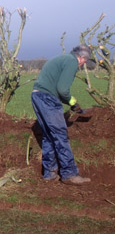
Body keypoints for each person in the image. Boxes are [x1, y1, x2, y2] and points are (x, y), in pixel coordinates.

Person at [31, 45, 91, 185]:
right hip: (48, 98)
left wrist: (72, 104)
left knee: (49, 136)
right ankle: (69, 174)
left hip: (37, 96)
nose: (83, 64)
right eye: (85, 61)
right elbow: (62, 89)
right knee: (60, 136)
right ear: (82, 58)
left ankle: (50, 174)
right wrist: (72, 101)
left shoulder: (63, 58)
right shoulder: (72, 62)